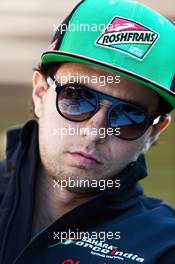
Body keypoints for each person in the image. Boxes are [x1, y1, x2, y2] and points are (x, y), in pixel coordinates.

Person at [0, 0, 175, 263]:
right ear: (40, 94)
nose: (94, 133)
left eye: (129, 117)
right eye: (77, 98)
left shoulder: (166, 246)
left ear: (153, 133)